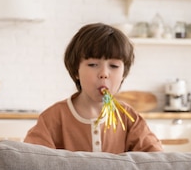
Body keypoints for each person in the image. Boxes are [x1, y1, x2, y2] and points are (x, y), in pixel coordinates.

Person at [23, 23, 163, 153]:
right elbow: (30, 162)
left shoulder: (129, 118)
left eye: (114, 66)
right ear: (76, 70)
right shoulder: (53, 118)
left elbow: (157, 161)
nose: (104, 74)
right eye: (93, 65)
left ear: (123, 74)